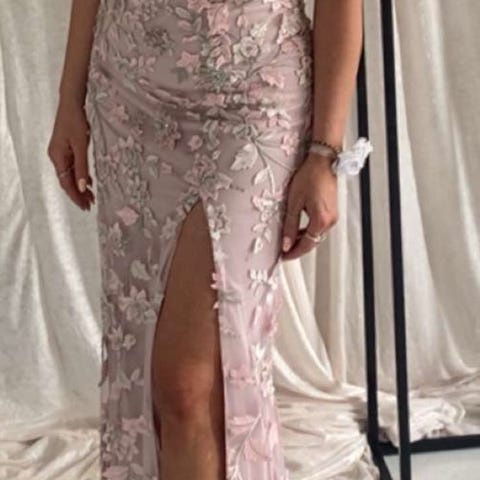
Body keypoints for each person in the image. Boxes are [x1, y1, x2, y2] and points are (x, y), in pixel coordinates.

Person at [47, 0, 370, 479]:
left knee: (187, 382)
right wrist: (68, 99)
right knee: (149, 366)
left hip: (253, 99)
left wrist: (325, 152)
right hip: (131, 94)